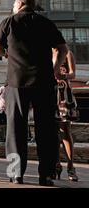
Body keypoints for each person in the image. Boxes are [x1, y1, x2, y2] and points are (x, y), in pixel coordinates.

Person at [0, 0, 68, 186]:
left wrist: (9, 55)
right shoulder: (45, 22)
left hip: (17, 82)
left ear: (19, 5)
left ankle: (15, 174)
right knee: (47, 129)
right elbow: (63, 49)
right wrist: (54, 69)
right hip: (44, 81)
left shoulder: (8, 22)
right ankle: (47, 175)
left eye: (13, 5)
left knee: (15, 130)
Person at [52, 49, 78, 182]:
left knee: (65, 132)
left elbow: (73, 74)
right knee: (53, 134)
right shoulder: (45, 53)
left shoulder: (67, 53)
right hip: (50, 95)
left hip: (64, 97)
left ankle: (70, 167)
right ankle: (56, 166)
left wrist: (64, 75)